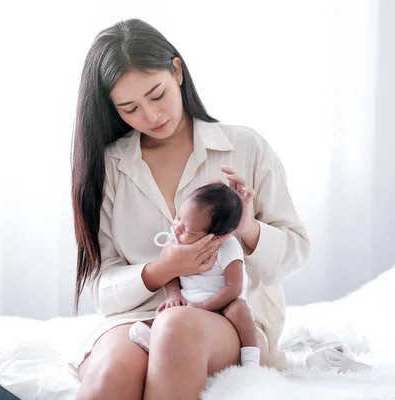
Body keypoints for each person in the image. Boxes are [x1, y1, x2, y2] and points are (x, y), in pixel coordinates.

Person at [71, 18, 310, 400]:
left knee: (175, 328)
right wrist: (164, 269)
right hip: (137, 317)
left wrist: (247, 229)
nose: (151, 117)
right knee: (110, 378)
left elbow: (295, 253)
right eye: (130, 108)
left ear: (177, 71)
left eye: (157, 95)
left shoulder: (245, 147)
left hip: (228, 319)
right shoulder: (110, 165)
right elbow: (104, 289)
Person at [128, 183, 261, 367]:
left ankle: (251, 358)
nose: (176, 228)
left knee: (239, 309)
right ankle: (156, 342)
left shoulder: (228, 248)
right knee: (165, 313)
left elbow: (234, 288)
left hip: (222, 305)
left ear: (214, 237)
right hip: (189, 303)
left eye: (187, 230)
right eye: (178, 217)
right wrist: (174, 295)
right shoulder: (175, 241)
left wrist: (204, 306)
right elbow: (170, 273)